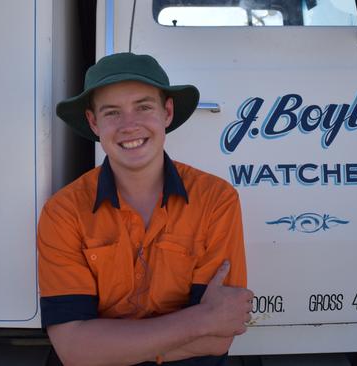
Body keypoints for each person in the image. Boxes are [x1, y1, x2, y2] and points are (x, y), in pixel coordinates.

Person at [37, 52, 252, 365]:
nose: (129, 125)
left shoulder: (216, 200)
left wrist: (104, 347)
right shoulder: (64, 212)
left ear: (166, 112)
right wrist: (202, 320)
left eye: (143, 107)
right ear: (93, 122)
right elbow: (73, 349)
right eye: (112, 113)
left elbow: (219, 339)